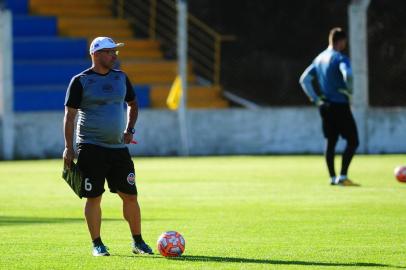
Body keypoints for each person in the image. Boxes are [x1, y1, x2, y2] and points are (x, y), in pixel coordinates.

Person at [63, 36, 153, 256]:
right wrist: (69, 147)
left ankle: (138, 242)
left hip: (118, 150)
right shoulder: (80, 80)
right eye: (110, 52)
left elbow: (133, 103)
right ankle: (97, 244)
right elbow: (70, 115)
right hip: (90, 148)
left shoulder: (121, 77)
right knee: (94, 197)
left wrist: (130, 130)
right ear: (96, 54)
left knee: (131, 196)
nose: (114, 56)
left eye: (115, 52)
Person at [299, 27, 360, 186]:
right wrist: (350, 90)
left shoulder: (319, 59)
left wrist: (316, 99)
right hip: (340, 104)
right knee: (353, 141)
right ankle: (343, 176)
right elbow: (349, 74)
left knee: (330, 141)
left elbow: (304, 79)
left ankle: (333, 178)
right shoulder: (340, 58)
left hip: (325, 106)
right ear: (341, 41)